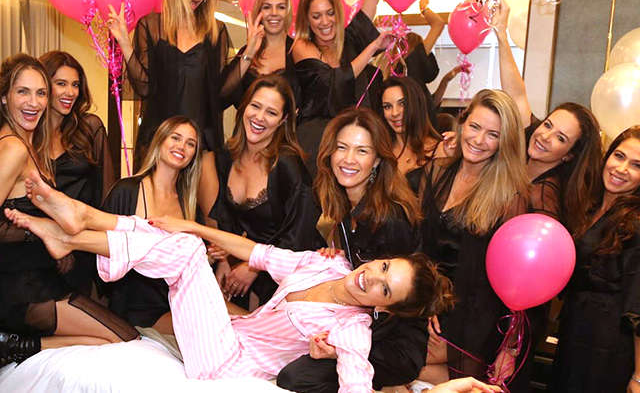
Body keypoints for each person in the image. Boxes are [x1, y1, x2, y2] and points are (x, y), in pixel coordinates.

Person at [4, 173, 454, 392]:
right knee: (185, 242)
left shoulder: (352, 330)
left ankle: (75, 232)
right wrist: (195, 226)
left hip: (227, 366)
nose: (372, 278)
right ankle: (78, 226)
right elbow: (255, 252)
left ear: (385, 308)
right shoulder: (328, 265)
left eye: (385, 289)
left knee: (185, 252)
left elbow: (357, 385)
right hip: (224, 333)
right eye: (383, 267)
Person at [277, 108, 429, 392]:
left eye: (362, 151)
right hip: (359, 323)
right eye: (342, 147)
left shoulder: (391, 218)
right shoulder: (346, 205)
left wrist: (341, 349)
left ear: (377, 160)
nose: (348, 159)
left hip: (391, 341)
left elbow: (395, 305)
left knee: (296, 378)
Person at [0, 54, 137, 367]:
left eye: (40, 93)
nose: (33, 102)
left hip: (41, 279)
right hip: (21, 288)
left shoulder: (29, 144)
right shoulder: (13, 147)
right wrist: (40, 231)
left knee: (118, 337)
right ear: (4, 97)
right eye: (23, 92)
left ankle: (15, 346)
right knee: (121, 339)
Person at [419, 89, 530, 387]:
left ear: (504, 143)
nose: (479, 140)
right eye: (475, 127)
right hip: (424, 303)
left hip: (471, 320)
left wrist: (509, 347)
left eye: (493, 134)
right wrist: (425, 300)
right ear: (462, 123)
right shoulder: (437, 171)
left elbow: (517, 276)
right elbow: (418, 243)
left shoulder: (510, 196)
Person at [106, 0, 229, 215]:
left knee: (211, 219)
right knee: (152, 218)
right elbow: (144, 87)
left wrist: (249, 53)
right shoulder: (151, 26)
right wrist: (125, 43)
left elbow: (221, 93)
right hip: (158, 138)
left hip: (201, 140)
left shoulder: (215, 31)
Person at [210, 75, 324, 309]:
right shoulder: (227, 157)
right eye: (255, 106)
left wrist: (255, 267)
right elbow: (226, 221)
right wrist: (224, 261)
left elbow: (300, 235)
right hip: (241, 261)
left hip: (288, 270)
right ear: (244, 107)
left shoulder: (288, 164)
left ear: (283, 120)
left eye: (271, 112)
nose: (259, 117)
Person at [493, 0, 602, 229]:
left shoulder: (544, 196)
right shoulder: (530, 144)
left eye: (560, 138)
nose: (545, 136)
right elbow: (517, 95)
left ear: (568, 155)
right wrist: (501, 32)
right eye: (548, 125)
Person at [551, 126, 640, 393]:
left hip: (608, 347)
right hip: (574, 332)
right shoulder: (590, 206)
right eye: (619, 156)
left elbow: (638, 305)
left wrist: (639, 375)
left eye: (636, 165)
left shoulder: (635, 223)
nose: (621, 169)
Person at [102, 116, 201, 332]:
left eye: (190, 143)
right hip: (134, 307)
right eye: (175, 138)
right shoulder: (126, 191)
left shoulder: (191, 206)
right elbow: (100, 250)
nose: (181, 146)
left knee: (236, 322)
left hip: (177, 303)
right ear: (160, 140)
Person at [292, 0, 393, 176]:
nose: (325, 22)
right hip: (316, 142)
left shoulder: (350, 40)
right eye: (316, 16)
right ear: (307, 20)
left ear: (337, 13)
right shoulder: (302, 46)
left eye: (330, 13)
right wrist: (372, 47)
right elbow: (334, 81)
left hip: (352, 143)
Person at [39, 50, 116, 295]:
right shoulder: (26, 135)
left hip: (82, 244)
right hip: (36, 243)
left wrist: (88, 244)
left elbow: (106, 195)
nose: (70, 92)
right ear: (43, 85)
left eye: (75, 85)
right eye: (61, 83)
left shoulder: (90, 128)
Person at [220, 0, 300, 109]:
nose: (274, 13)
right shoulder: (247, 50)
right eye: (267, 7)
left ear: (288, 12)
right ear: (259, 12)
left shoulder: (298, 50)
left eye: (281, 7)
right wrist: (249, 53)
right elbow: (221, 95)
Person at [378, 76, 450, 191]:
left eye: (402, 104)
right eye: (387, 106)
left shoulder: (440, 150)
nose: (394, 113)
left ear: (416, 105)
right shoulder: (381, 151)